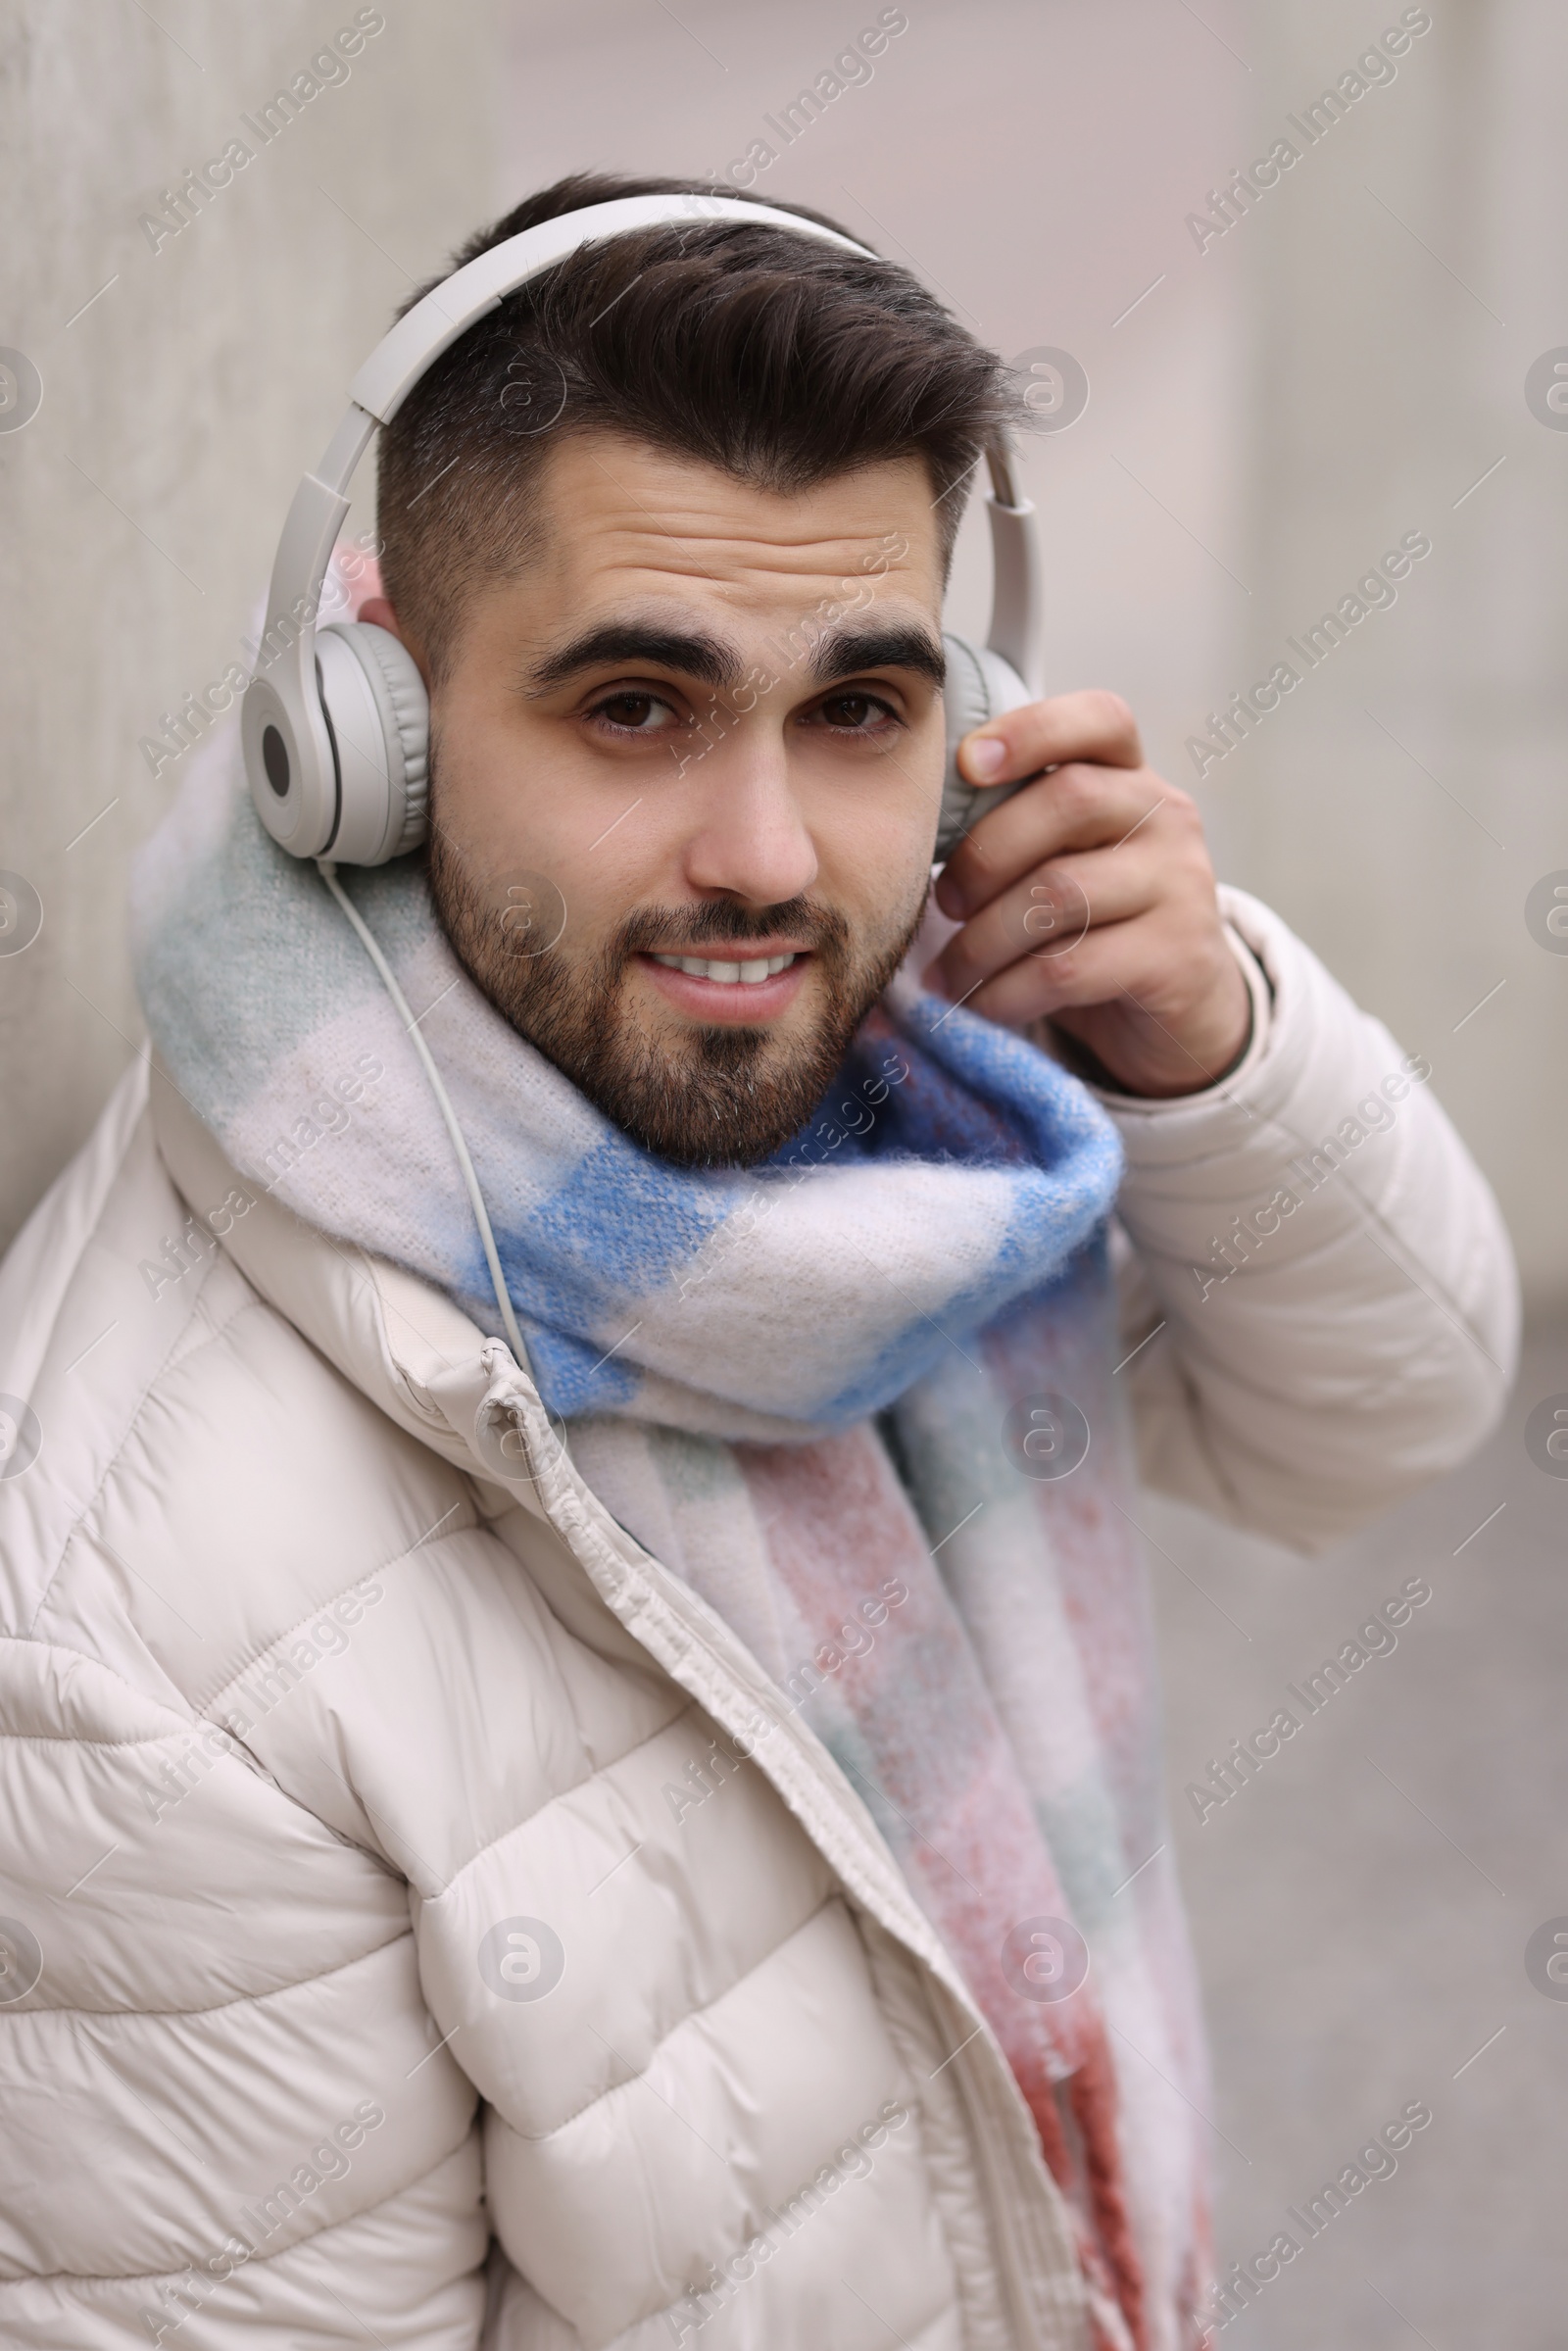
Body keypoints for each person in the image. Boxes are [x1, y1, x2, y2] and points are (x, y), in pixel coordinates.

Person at [0, 172, 1516, 2351]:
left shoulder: (932, 1109)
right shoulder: (136, 1656)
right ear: (366, 739)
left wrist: (1218, 1061)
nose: (764, 861)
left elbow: (1376, 1416)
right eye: (634, 706)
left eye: (859, 712)